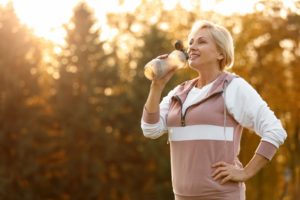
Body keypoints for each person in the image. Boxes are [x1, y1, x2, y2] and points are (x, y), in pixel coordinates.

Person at [140, 20, 287, 200]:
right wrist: (157, 85)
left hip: (222, 196)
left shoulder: (233, 87)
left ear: (220, 53)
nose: (192, 46)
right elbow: (150, 129)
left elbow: (275, 131)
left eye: (201, 42)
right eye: (191, 42)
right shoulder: (179, 92)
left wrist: (246, 172)